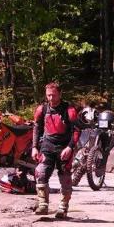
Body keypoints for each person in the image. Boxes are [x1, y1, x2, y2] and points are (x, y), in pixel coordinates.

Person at [32, 82, 80, 218]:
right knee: (40, 172)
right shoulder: (42, 109)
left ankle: (63, 207)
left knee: (65, 176)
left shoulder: (69, 110)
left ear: (60, 94)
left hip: (64, 147)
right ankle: (43, 204)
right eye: (48, 95)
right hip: (47, 145)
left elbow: (76, 130)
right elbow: (36, 128)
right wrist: (34, 147)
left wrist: (70, 147)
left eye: (53, 95)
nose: (51, 98)